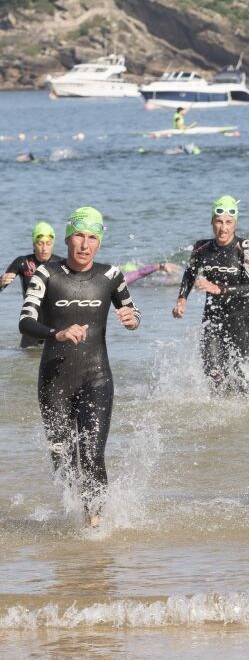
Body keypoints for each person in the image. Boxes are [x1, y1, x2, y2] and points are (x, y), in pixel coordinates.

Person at [18, 207, 141, 528]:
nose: (85, 245)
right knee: (62, 463)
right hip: (55, 381)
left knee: (91, 453)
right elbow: (25, 321)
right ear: (68, 237)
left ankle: (95, 523)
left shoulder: (110, 276)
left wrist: (132, 320)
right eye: (79, 237)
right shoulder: (46, 275)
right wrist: (55, 333)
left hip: (96, 377)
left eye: (92, 238)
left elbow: (132, 312)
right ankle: (79, 509)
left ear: (99, 242)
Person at [172, 195, 249, 395]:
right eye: (219, 222)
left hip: (242, 322)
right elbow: (189, 274)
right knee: (214, 376)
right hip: (213, 321)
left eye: (228, 222)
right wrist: (181, 300)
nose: (223, 228)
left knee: (242, 381)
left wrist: (220, 289)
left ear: (235, 224)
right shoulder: (201, 248)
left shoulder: (245, 247)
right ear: (212, 222)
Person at [3, 222, 61, 348]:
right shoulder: (22, 262)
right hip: (31, 322)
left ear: (53, 244)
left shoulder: (61, 264)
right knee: (26, 358)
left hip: (54, 322)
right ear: (34, 243)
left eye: (48, 243)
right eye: (40, 243)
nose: (44, 248)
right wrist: (1, 281)